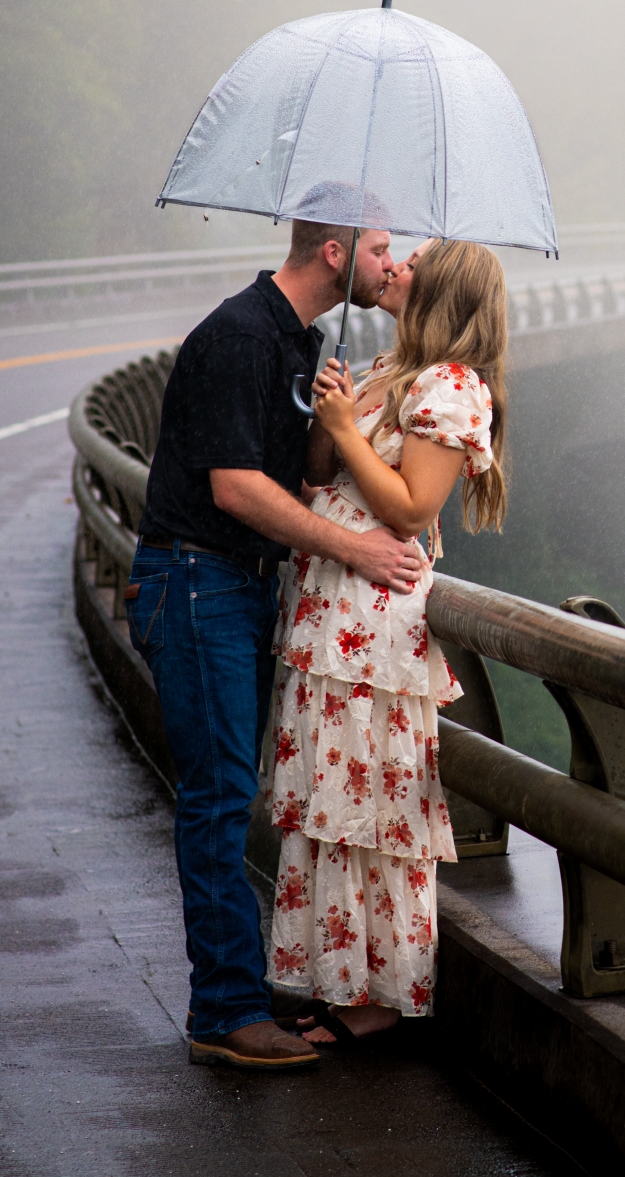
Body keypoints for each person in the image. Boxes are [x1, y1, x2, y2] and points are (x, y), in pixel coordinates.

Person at [125, 218, 424, 1072]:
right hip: (196, 580)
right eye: (377, 250)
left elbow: (296, 478)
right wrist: (358, 548)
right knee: (217, 797)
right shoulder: (239, 336)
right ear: (334, 253)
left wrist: (334, 426)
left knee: (234, 792)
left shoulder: (300, 340)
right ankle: (225, 1012)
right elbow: (236, 487)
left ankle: (240, 994)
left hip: (240, 585)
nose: (388, 264)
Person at [267, 238, 507, 1040]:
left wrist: (347, 429)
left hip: (374, 621)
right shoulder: (384, 370)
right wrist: (328, 419)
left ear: (442, 291)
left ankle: (372, 1001)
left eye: (412, 261)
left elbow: (409, 508)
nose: (394, 265)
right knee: (328, 802)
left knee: (372, 803)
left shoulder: (451, 386)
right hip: (328, 610)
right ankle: (329, 977)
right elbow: (322, 477)